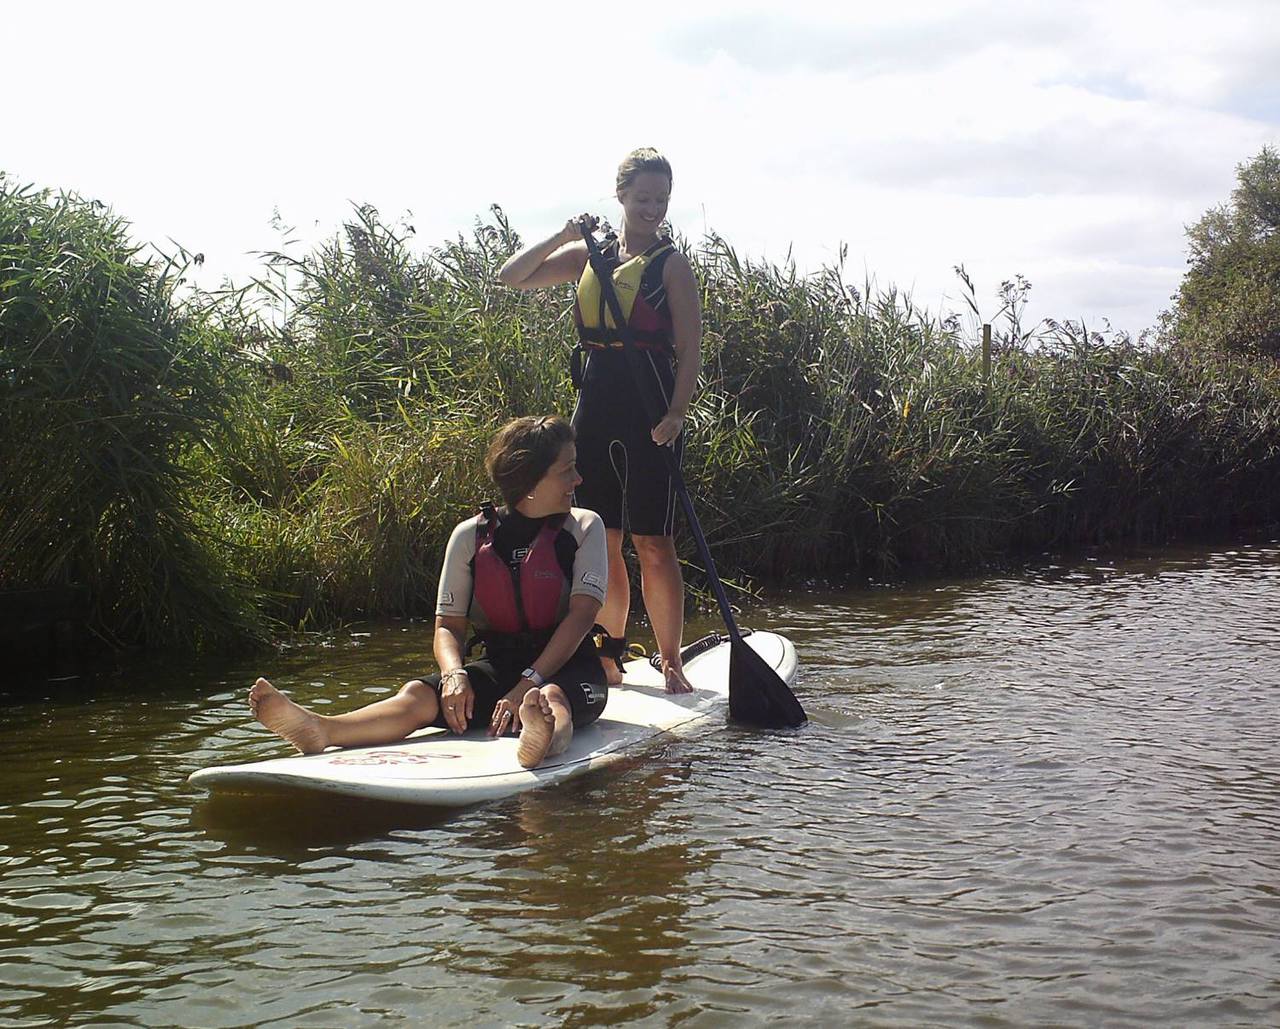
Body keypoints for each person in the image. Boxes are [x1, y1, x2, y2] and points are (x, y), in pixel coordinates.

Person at [248, 415, 609, 769]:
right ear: (531, 478)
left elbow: (582, 616)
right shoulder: (471, 536)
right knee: (419, 695)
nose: (577, 479)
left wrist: (530, 681)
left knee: (549, 699)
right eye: (567, 470)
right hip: (500, 668)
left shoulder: (584, 526)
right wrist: (454, 675)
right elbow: (447, 626)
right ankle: (321, 729)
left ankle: (545, 741)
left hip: (570, 669)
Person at [497, 147, 702, 694]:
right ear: (621, 197)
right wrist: (564, 236)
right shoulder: (593, 257)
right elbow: (511, 276)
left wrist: (677, 413)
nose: (652, 208)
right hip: (596, 401)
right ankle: (611, 656)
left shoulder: (670, 265)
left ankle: (669, 658)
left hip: (650, 406)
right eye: (642, 198)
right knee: (602, 538)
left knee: (653, 541)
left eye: (661, 199)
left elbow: (691, 347)